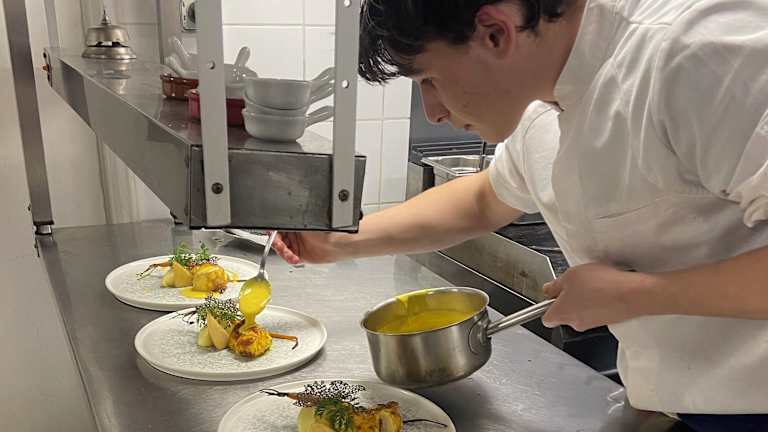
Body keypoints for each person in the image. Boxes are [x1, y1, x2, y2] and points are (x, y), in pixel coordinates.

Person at [273, 1, 768, 429]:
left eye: (430, 80)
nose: (434, 112)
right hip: (676, 399)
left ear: (495, 32)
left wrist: (638, 294)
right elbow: (485, 199)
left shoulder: (700, 55)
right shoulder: (542, 96)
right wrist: (342, 241)